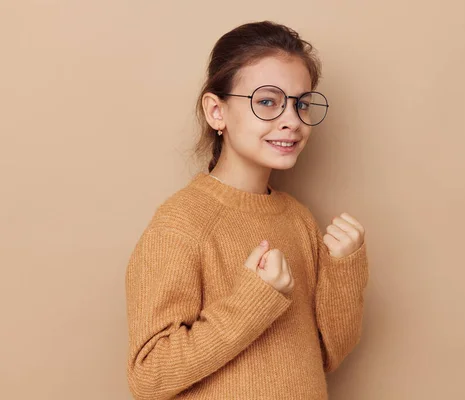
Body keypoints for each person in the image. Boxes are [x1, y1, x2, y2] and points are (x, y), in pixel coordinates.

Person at [125, 20, 369, 400]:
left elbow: (326, 354)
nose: (292, 120)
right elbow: (150, 377)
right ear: (216, 111)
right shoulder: (181, 224)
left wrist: (344, 271)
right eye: (267, 101)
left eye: (301, 103)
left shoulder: (299, 219)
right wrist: (254, 300)